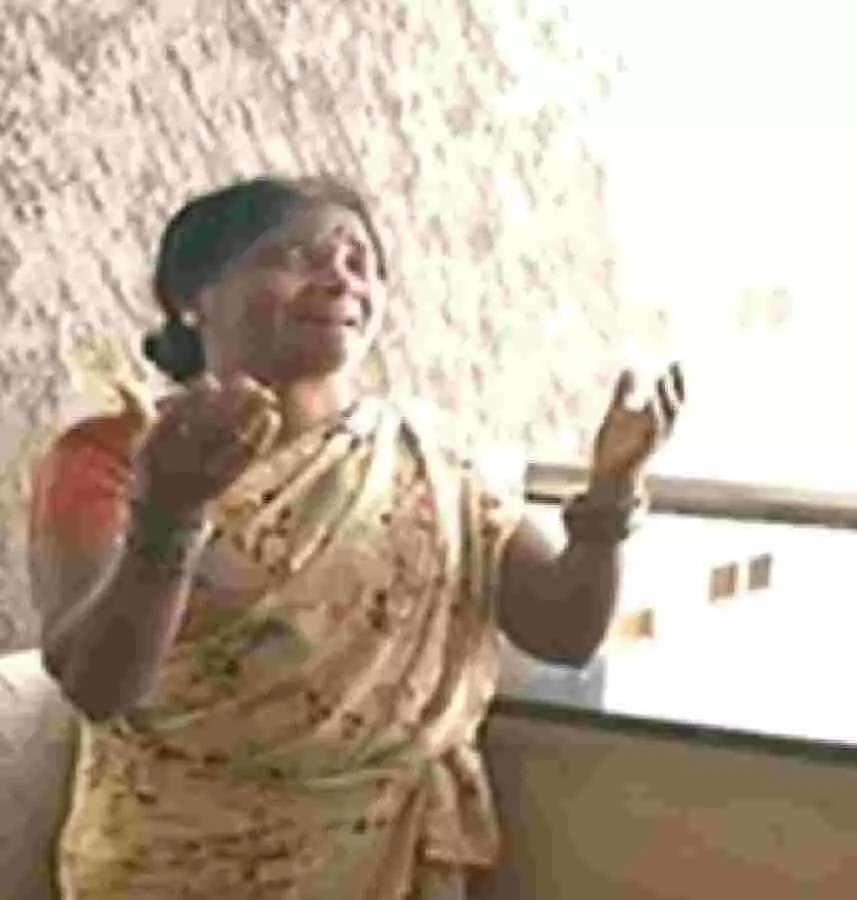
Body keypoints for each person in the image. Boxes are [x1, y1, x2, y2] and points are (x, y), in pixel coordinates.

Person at [28, 175, 686, 899]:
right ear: (193, 297)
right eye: (296, 256)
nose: (340, 278)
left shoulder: (431, 458)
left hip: (387, 860)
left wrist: (612, 490)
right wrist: (169, 516)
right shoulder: (113, 455)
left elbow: (564, 631)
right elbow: (96, 685)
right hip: (176, 864)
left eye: (359, 261)